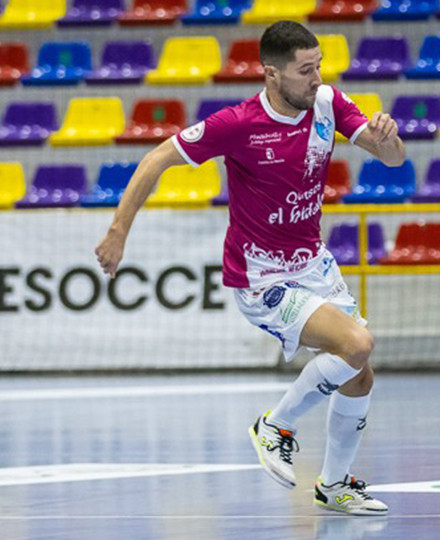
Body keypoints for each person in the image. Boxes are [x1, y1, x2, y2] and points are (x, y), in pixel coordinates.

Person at [94, 21, 404, 515]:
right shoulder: (238, 124)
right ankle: (274, 425)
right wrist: (117, 232)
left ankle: (335, 485)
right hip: (263, 277)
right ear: (271, 75)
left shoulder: (327, 105)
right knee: (357, 344)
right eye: (306, 70)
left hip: (313, 265)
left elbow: (392, 159)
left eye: (319, 66)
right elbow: (156, 158)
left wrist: (388, 140)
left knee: (359, 375)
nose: (317, 78)